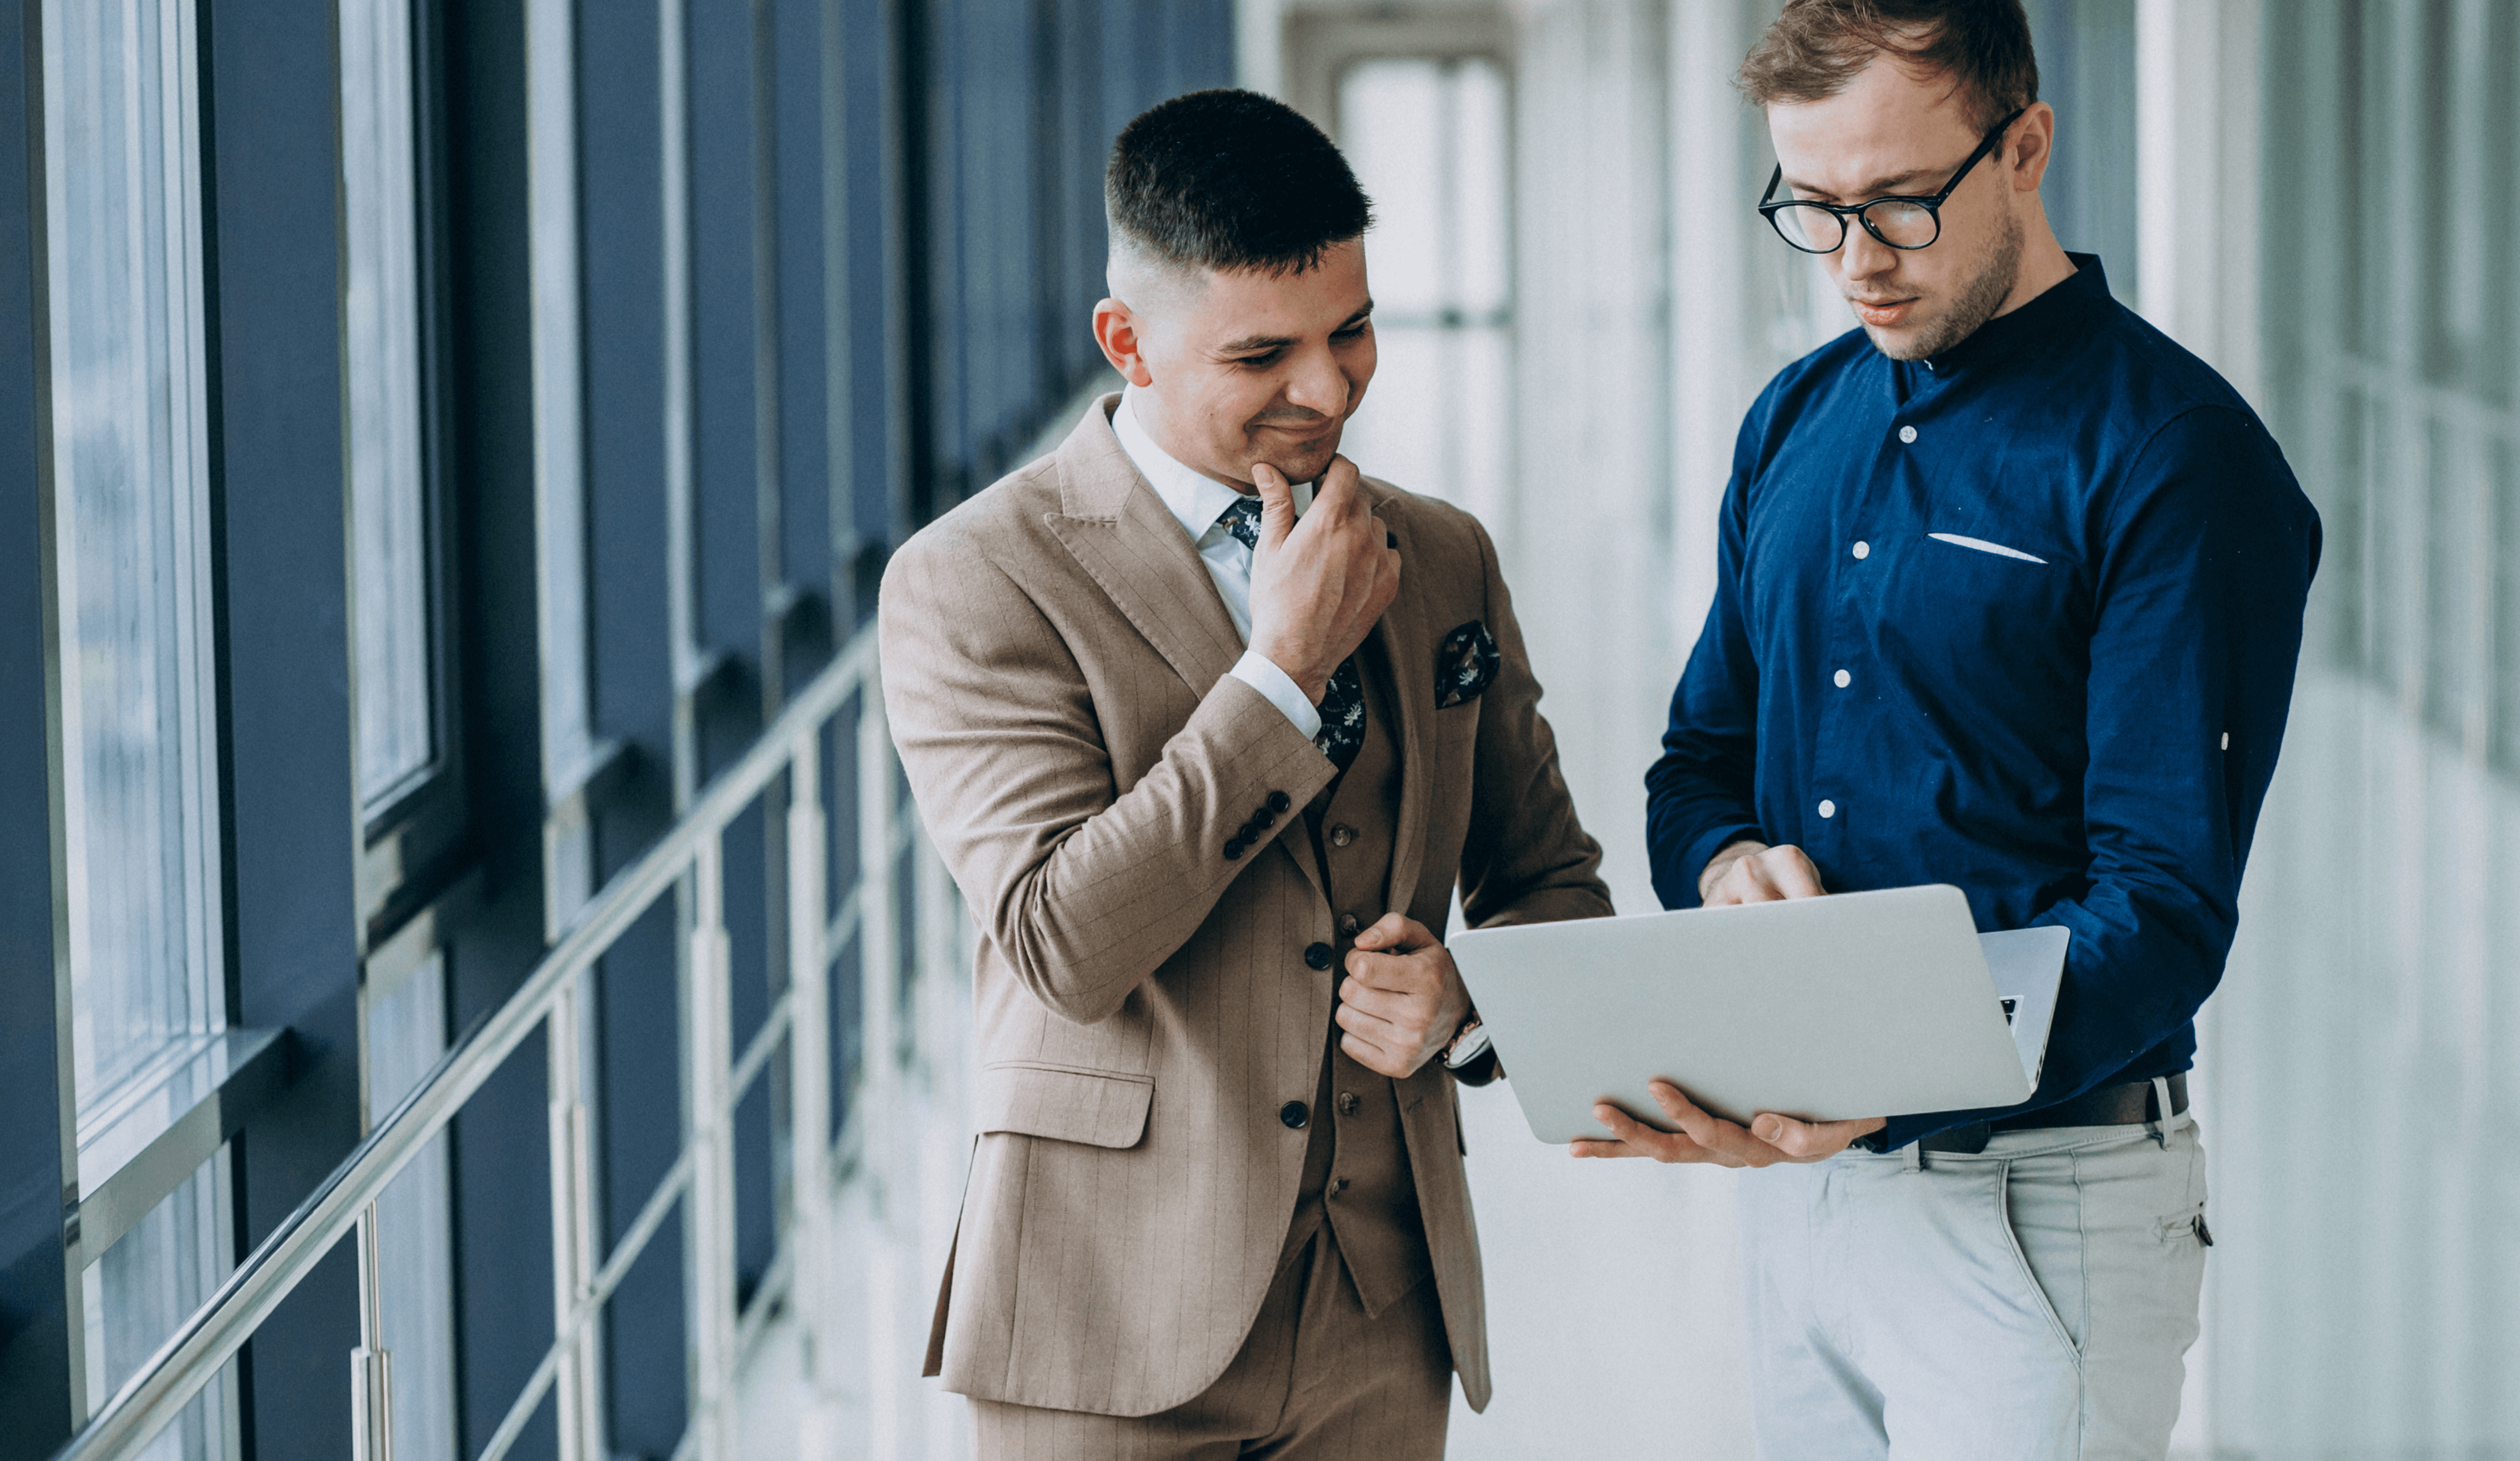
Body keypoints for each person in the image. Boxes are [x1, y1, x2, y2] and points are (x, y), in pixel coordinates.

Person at [1588, 2, 2321, 1457]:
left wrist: (1887, 1077)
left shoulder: (2174, 458)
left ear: (2026, 146)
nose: (1856, 259)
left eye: (1901, 204)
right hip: (1802, 1199)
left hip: (2037, 1213)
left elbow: (2164, 906)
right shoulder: (1797, 416)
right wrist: (1728, 864)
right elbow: (1696, 769)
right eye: (1812, 210)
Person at [879, 88, 1610, 1459]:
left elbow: (1552, 882)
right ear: (1127, 343)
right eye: (1263, 353)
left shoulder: (1440, 555)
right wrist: (1278, 677)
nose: (1326, 389)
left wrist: (1473, 998)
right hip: (1104, 1322)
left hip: (1383, 1318)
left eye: (1351, 332)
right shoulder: (976, 576)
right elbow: (1057, 944)